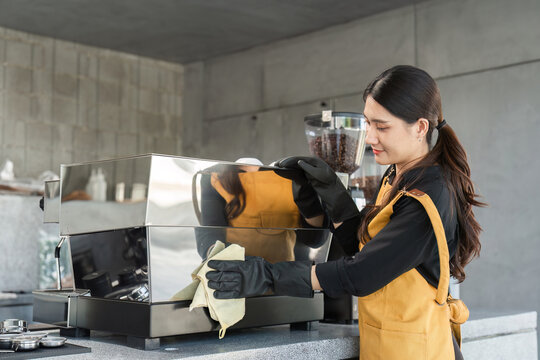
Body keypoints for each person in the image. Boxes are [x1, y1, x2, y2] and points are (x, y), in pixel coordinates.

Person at [206, 65, 484, 360]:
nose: (371, 138)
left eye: (382, 126)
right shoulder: (396, 176)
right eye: (368, 124)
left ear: (420, 127)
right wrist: (330, 192)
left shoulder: (428, 195)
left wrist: (268, 276)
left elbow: (362, 273)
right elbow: (364, 248)